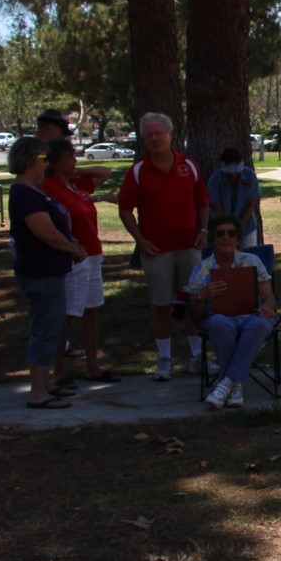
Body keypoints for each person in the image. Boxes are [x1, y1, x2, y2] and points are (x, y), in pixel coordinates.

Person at [118, 111, 209, 381]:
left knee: (194, 300)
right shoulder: (138, 171)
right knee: (160, 305)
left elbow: (202, 202)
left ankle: (198, 357)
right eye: (149, 135)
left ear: (170, 135)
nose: (155, 138)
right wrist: (140, 240)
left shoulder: (188, 165)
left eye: (159, 133)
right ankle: (165, 360)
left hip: (189, 246)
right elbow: (124, 210)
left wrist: (203, 230)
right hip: (156, 251)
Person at [7, 137, 86, 409]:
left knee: (51, 328)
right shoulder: (24, 193)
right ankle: (37, 392)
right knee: (45, 329)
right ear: (30, 160)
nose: (47, 164)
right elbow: (45, 232)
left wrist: (70, 242)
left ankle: (47, 383)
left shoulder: (34, 190)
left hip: (52, 270)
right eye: (43, 159)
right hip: (40, 272)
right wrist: (72, 249)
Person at [40, 138, 118, 385]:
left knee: (90, 311)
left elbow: (106, 172)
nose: (75, 159)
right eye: (70, 157)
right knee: (67, 314)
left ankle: (92, 366)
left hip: (93, 252)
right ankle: (59, 370)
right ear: (56, 162)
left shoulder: (76, 184)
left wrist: (76, 171)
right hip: (72, 256)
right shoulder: (49, 188)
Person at [186, 214, 278, 408]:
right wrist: (204, 294)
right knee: (220, 324)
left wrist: (267, 309)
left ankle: (227, 383)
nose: (226, 237)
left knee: (260, 324)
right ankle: (235, 386)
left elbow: (269, 297)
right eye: (220, 234)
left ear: (237, 238)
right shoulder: (201, 270)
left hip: (251, 316)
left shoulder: (252, 262)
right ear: (213, 239)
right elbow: (196, 315)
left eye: (231, 233)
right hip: (217, 317)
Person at [207, 147, 265, 248]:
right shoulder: (214, 180)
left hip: (247, 225)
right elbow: (217, 207)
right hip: (222, 227)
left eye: (235, 173)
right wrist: (228, 229)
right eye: (229, 174)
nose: (232, 176)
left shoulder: (250, 175)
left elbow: (252, 204)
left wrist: (240, 226)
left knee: (248, 257)